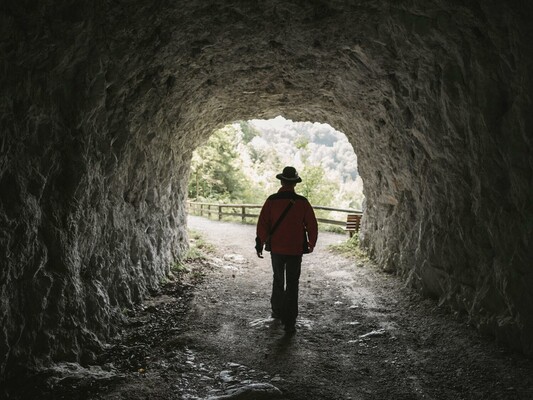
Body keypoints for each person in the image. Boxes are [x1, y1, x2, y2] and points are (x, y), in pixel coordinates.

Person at [255, 166, 318, 333]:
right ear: (295, 184)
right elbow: (312, 224)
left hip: (277, 247)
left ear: (282, 181)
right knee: (292, 283)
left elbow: (263, 223)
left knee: (278, 278)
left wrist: (260, 243)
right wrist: (311, 243)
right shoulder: (303, 202)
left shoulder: (272, 200)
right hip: (295, 249)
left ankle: (277, 310)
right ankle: (290, 321)